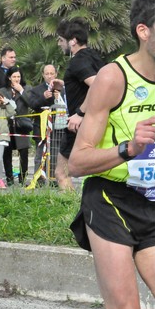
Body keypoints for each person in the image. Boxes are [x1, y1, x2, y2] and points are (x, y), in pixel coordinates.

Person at [68, 0, 155, 309]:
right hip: (109, 200)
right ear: (143, 31)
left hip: (150, 202)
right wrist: (128, 148)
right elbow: (77, 162)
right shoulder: (113, 77)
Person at [55, 18, 105, 190]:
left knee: (62, 173)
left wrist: (80, 113)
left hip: (79, 125)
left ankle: (67, 212)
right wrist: (65, 84)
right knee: (97, 172)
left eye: (61, 40)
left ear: (73, 40)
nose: (59, 44)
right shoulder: (94, 56)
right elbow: (91, 83)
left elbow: (98, 84)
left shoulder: (77, 60)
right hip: (99, 121)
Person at [27, 64, 64, 183]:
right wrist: (43, 97)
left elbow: (68, 105)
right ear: (43, 75)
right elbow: (32, 104)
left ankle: (54, 179)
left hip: (58, 127)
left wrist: (59, 97)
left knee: (55, 154)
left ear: (56, 74)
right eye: (47, 74)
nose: (49, 76)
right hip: (41, 128)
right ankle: (39, 179)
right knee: (40, 154)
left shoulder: (62, 89)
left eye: (51, 73)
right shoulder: (36, 89)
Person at [0, 67, 32, 186]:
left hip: (22, 124)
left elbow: (31, 102)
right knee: (6, 152)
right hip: (7, 124)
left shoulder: (27, 88)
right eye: (14, 77)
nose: (17, 79)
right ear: (9, 77)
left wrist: (21, 90)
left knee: (23, 152)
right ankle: (9, 178)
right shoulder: (3, 90)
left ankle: (23, 179)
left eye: (18, 77)